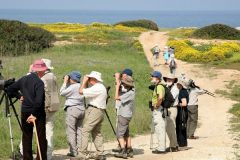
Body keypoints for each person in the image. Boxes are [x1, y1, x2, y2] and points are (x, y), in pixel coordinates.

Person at [7, 59, 47, 160]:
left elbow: (10, 89)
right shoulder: (39, 82)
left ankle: (27, 158)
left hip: (25, 111)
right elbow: (39, 101)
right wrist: (33, 114)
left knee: (26, 136)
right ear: (39, 71)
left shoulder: (23, 79)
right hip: (37, 112)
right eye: (43, 70)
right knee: (41, 137)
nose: (44, 72)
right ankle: (41, 158)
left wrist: (19, 96)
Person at [78, 71, 107, 160]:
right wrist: (86, 82)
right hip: (99, 111)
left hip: (95, 110)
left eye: (90, 78)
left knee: (85, 130)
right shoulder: (99, 87)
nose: (88, 79)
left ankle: (82, 153)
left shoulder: (97, 87)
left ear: (94, 79)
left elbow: (81, 91)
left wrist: (83, 81)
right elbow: (86, 92)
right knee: (96, 132)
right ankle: (100, 153)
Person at [60, 71, 85, 157]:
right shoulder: (82, 85)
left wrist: (64, 82)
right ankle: (80, 150)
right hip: (81, 109)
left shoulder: (73, 87)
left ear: (73, 79)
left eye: (70, 77)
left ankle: (74, 152)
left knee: (71, 131)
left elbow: (62, 92)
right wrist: (68, 83)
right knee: (80, 131)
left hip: (72, 109)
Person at [41, 58, 60, 160]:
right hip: (54, 106)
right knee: (50, 132)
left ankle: (25, 151)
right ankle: (48, 155)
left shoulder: (43, 78)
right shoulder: (53, 76)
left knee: (36, 130)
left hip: (45, 106)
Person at [114, 75, 135, 159]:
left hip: (123, 115)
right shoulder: (131, 91)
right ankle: (129, 150)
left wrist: (117, 87)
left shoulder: (129, 93)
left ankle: (123, 151)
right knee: (126, 133)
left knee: (119, 134)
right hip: (127, 115)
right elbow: (123, 91)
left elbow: (116, 97)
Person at [150, 71, 167, 154]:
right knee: (158, 128)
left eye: (152, 76)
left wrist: (156, 105)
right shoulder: (158, 86)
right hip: (159, 109)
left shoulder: (159, 86)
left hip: (159, 109)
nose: (151, 78)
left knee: (160, 128)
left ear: (157, 78)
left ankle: (161, 148)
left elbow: (160, 98)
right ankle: (161, 147)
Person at [163, 74, 179, 152]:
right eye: (168, 79)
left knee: (171, 128)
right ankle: (173, 145)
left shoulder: (175, 88)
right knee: (169, 128)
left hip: (172, 108)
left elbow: (170, 98)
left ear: (173, 81)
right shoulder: (166, 87)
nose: (169, 80)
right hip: (167, 108)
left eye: (171, 79)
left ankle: (173, 146)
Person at [176, 78, 189, 149]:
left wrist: (177, 104)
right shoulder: (183, 91)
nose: (177, 85)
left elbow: (184, 103)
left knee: (181, 128)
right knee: (181, 127)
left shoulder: (182, 92)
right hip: (183, 111)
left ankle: (182, 145)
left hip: (182, 111)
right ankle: (182, 144)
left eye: (178, 84)